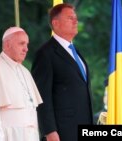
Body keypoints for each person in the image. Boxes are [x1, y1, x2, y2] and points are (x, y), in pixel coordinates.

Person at [31, 3, 93, 141]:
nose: (76, 21)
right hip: (62, 131)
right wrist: (50, 131)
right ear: (56, 23)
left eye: (76, 18)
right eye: (70, 18)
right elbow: (41, 96)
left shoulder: (76, 52)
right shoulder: (45, 54)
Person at [0, 26, 43, 141]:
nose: (26, 49)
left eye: (27, 44)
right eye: (21, 44)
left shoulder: (25, 71)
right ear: (7, 44)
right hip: (10, 135)